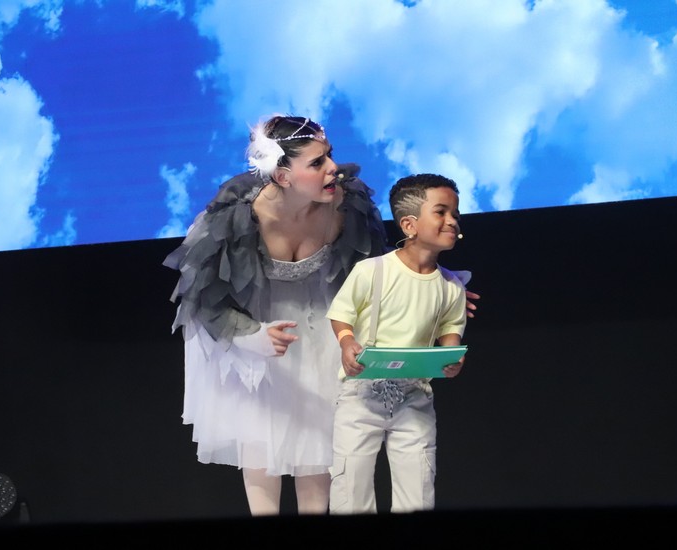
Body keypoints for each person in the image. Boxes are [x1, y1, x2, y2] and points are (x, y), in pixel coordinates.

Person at [163, 114, 389, 515]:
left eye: (329, 155)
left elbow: (374, 272)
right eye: (316, 162)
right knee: (259, 439)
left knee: (318, 439)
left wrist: (436, 285)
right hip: (257, 324)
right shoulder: (239, 215)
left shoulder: (346, 206)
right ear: (283, 176)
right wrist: (250, 336)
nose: (332, 167)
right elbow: (202, 295)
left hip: (320, 325)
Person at [326, 173, 468, 514]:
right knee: (350, 486)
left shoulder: (451, 286)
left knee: (417, 487)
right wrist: (347, 342)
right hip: (362, 394)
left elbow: (451, 327)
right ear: (409, 224)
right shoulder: (372, 270)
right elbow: (342, 312)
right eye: (441, 212)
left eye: (455, 214)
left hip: (414, 395)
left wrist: (451, 356)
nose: (452, 221)